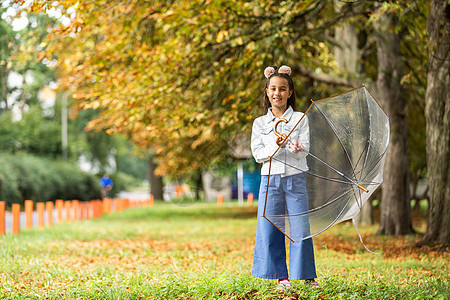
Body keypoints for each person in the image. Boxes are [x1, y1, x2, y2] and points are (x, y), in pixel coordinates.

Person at [250, 65, 319, 291]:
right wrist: (275, 145)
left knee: (300, 227)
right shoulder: (260, 124)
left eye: (282, 89)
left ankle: (307, 276)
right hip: (270, 181)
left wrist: (297, 147)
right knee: (270, 226)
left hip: (295, 178)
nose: (277, 93)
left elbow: (306, 148)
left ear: (290, 93)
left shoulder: (299, 118)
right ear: (267, 92)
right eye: (273, 89)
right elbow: (259, 155)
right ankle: (282, 278)